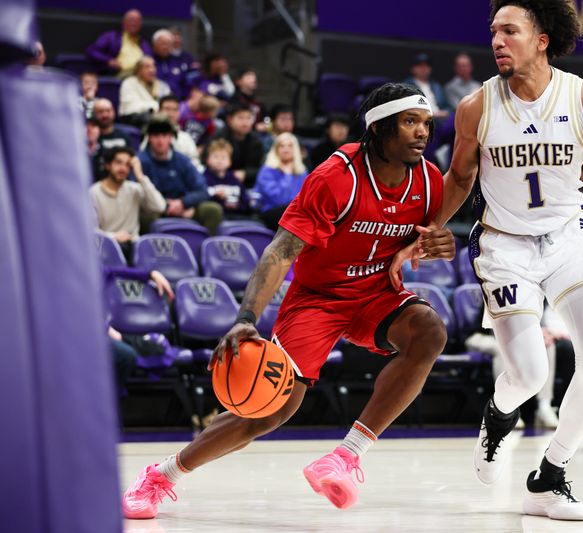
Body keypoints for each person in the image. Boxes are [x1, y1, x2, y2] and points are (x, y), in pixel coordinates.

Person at [121, 83, 456, 518]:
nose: (422, 133)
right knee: (271, 409)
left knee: (430, 332)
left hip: (375, 293)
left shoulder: (428, 180)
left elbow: (425, 232)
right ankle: (162, 474)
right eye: (410, 122)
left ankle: (347, 455)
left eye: (427, 124)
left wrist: (438, 243)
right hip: (316, 299)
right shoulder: (336, 178)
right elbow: (280, 250)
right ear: (378, 128)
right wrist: (247, 318)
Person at [391, 0, 583, 521]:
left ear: (542, 38)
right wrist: (425, 230)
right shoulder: (476, 107)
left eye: (510, 31)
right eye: (493, 32)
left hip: (569, 236)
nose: (497, 40)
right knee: (528, 374)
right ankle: (498, 415)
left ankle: (550, 477)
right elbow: (460, 179)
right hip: (505, 245)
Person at [138, 115, 223, 233]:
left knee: (212, 210)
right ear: (149, 138)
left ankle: (206, 248)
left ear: (171, 137)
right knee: (145, 216)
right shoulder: (140, 161)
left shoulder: (182, 160)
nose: (160, 140)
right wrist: (166, 206)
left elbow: (202, 190)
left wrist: (183, 203)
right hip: (155, 208)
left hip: (183, 205)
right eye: (156, 136)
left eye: (164, 135)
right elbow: (139, 193)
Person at [90, 146, 166, 256]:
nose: (123, 168)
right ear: (107, 165)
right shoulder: (93, 192)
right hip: (105, 247)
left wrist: (140, 177)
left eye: (127, 164)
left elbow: (160, 206)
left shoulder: (134, 189)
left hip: (134, 246)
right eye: (118, 163)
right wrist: (113, 236)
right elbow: (90, 231)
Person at [252, 132, 308, 230]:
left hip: (294, 213)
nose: (286, 150)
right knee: (291, 212)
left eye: (290, 146)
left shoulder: (302, 172)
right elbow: (279, 199)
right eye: (282, 146)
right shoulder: (267, 170)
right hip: (270, 212)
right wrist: (287, 175)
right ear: (276, 149)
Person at [205, 102, 266, 188]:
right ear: (230, 120)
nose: (245, 123)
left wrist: (245, 173)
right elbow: (207, 161)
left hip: (247, 184)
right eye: (240, 118)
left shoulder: (256, 140)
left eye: (249, 118)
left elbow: (259, 167)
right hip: (217, 182)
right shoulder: (218, 138)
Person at [85, 9, 152, 77]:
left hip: (139, 80)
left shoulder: (144, 44)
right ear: (124, 23)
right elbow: (92, 51)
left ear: (140, 24)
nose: (134, 23)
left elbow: (150, 61)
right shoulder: (111, 37)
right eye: (131, 20)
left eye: (137, 20)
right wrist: (109, 60)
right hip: (116, 77)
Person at [203, 139, 250, 218]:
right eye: (215, 156)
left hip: (238, 216)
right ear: (208, 159)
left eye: (223, 157)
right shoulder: (203, 179)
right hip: (217, 218)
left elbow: (246, 201)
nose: (219, 161)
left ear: (230, 161)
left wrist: (238, 205)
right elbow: (201, 202)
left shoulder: (235, 180)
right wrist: (217, 198)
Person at [118, 56, 171, 126]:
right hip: (133, 118)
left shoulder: (162, 86)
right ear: (138, 70)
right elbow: (132, 107)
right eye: (147, 67)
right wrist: (156, 107)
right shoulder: (129, 83)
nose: (152, 70)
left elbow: (169, 104)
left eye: (153, 66)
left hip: (157, 118)